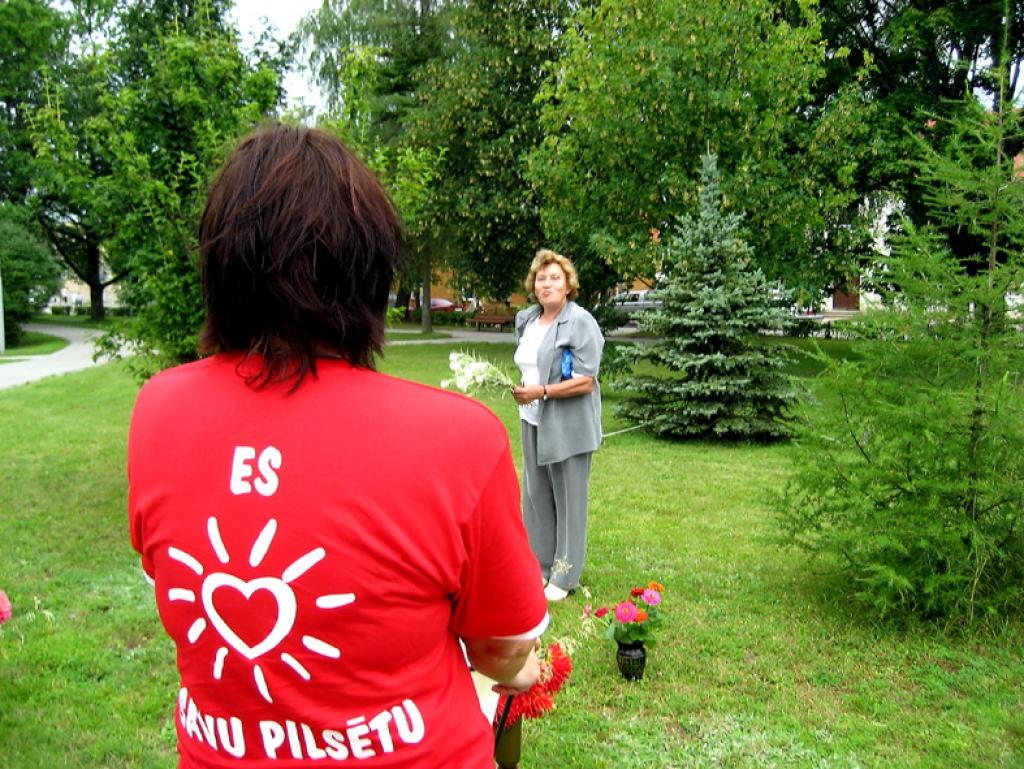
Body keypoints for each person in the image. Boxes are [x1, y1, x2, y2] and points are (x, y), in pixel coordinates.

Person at [127, 124, 547, 768]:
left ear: (221, 265)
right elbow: (502, 647)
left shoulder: (159, 409)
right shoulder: (456, 439)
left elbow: (169, 572)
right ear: (368, 271)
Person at [511, 250, 604, 602]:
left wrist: (542, 391)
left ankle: (564, 577)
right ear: (533, 286)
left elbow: (585, 380)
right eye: (541, 278)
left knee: (569, 500)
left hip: (568, 426)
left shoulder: (580, 322)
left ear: (568, 285)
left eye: (554, 278)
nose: (546, 283)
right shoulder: (528, 320)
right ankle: (540, 567)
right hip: (532, 420)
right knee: (536, 497)